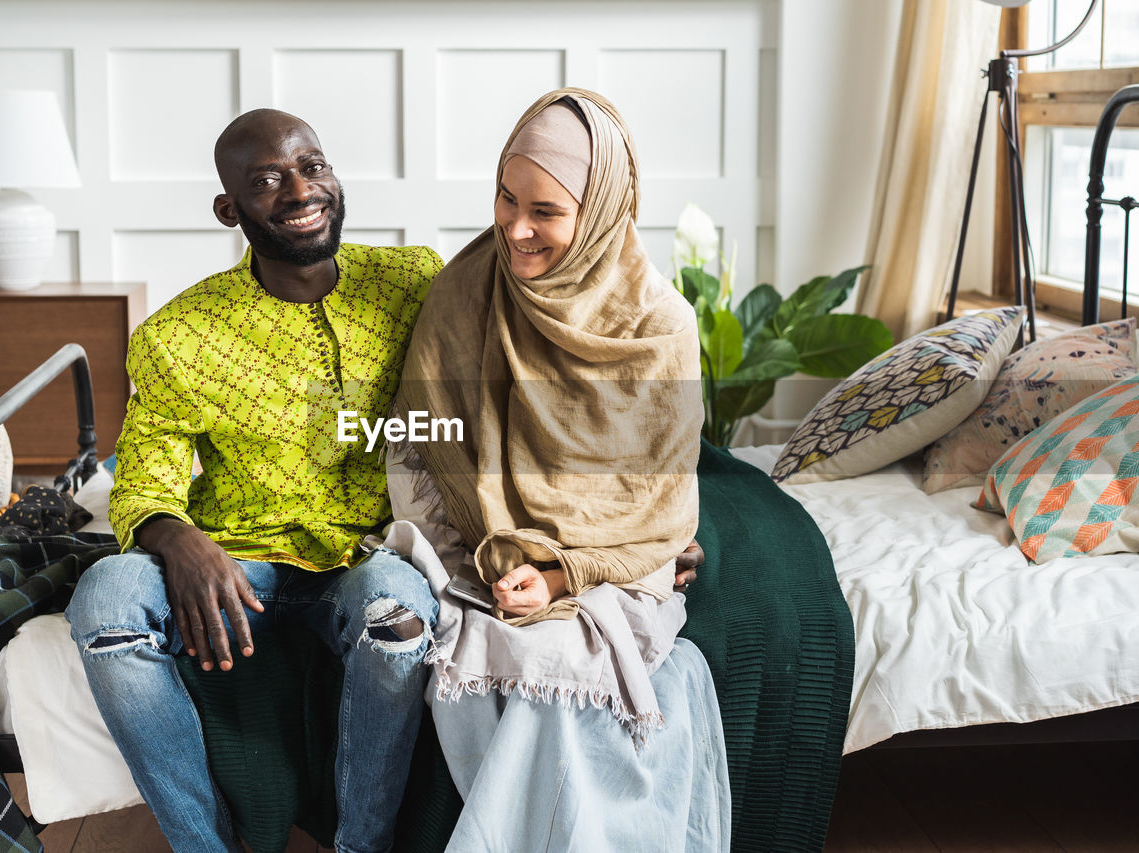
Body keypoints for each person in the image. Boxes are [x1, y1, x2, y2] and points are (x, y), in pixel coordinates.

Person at [64, 108, 444, 853]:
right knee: (104, 600)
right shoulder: (181, 334)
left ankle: (360, 845)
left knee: (398, 619)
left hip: (362, 554)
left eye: (314, 165)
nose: (302, 190)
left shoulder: (413, 281)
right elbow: (145, 474)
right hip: (242, 560)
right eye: (268, 180)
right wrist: (181, 541)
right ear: (229, 210)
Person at [385, 88, 731, 851]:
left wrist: (564, 572)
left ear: (601, 209)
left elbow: (662, 507)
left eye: (545, 210)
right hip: (477, 558)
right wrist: (483, 560)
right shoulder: (463, 292)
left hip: (607, 570)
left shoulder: (659, 325)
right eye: (507, 199)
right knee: (501, 664)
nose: (515, 227)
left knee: (551, 685)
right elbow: (417, 449)